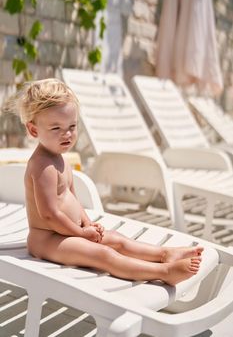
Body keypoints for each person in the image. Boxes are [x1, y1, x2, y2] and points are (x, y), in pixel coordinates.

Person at [8, 78, 203, 286]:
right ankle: (163, 271)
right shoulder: (42, 166)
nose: (67, 134)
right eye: (56, 128)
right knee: (104, 254)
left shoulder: (60, 158)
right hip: (47, 240)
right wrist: (81, 233)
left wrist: (87, 222)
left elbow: (72, 199)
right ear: (34, 130)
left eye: (72, 126)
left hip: (69, 232)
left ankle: (164, 254)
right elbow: (49, 214)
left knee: (117, 239)